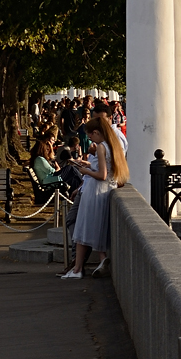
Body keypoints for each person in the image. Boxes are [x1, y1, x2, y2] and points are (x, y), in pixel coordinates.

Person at [62, 111, 127, 281]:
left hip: (95, 190)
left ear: (96, 133)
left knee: (82, 229)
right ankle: (99, 260)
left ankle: (77, 269)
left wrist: (84, 171)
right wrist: (89, 164)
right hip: (106, 190)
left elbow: (102, 175)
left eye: (90, 136)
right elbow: (107, 168)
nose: (90, 139)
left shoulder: (100, 146)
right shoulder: (112, 145)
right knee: (93, 228)